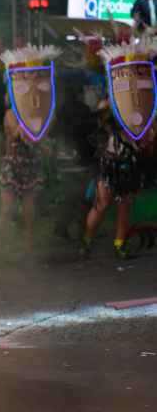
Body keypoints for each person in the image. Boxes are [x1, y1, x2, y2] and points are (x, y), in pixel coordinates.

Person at [81, 41, 157, 258]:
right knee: (102, 204)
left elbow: (148, 138)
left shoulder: (148, 106)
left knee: (125, 204)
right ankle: (86, 240)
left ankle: (119, 243)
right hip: (111, 159)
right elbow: (101, 127)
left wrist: (147, 139)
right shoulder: (107, 104)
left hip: (131, 161)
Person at [0, 46, 61, 253]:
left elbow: (44, 134)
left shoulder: (46, 115)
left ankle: (28, 247)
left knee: (29, 210)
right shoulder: (10, 115)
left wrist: (43, 140)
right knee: (6, 209)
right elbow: (18, 134)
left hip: (32, 164)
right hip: (13, 164)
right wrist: (33, 133)